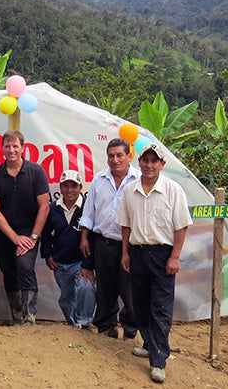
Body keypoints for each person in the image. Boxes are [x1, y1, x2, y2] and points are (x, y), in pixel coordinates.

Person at [117, 143, 191, 383]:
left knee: (160, 308)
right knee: (140, 304)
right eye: (145, 161)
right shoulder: (130, 190)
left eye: (154, 161)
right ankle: (149, 344)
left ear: (162, 164)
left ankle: (159, 361)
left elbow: (181, 226)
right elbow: (126, 224)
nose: (149, 165)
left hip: (163, 256)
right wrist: (125, 252)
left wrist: (175, 256)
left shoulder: (173, 190)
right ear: (139, 163)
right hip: (138, 254)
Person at [0, 130, 50, 325]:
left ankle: (30, 318)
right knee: (9, 272)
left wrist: (33, 237)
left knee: (24, 266)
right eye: (7, 146)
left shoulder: (36, 171)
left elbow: (44, 206)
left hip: (29, 230)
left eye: (15, 146)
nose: (11, 150)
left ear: (23, 148)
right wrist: (14, 238)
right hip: (5, 233)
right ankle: (17, 317)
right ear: (2, 149)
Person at [79, 138, 140, 340]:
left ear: (129, 156)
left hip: (130, 246)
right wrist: (85, 237)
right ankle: (106, 328)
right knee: (105, 289)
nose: (115, 160)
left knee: (129, 290)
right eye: (111, 156)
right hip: (103, 242)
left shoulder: (138, 180)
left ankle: (131, 329)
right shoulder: (99, 180)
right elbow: (89, 212)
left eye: (120, 155)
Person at [42, 170, 96, 329]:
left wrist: (88, 265)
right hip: (60, 262)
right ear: (60, 187)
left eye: (74, 186)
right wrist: (48, 255)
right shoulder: (53, 208)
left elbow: (93, 239)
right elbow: (45, 234)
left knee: (86, 287)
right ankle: (73, 325)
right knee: (67, 297)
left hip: (80, 262)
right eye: (66, 186)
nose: (70, 189)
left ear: (80, 187)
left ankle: (84, 322)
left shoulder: (88, 208)